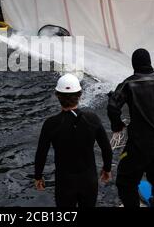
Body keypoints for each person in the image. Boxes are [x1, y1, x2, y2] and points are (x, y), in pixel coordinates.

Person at [107, 48, 154, 207]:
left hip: (138, 145)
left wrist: (117, 125)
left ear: (134, 65)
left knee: (125, 181)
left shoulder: (129, 83)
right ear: (149, 63)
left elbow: (113, 106)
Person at [34, 74, 113, 207]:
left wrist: (38, 176)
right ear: (80, 95)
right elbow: (106, 148)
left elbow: (41, 153)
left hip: (65, 182)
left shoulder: (51, 124)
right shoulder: (92, 119)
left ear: (57, 95)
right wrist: (107, 168)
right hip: (89, 180)